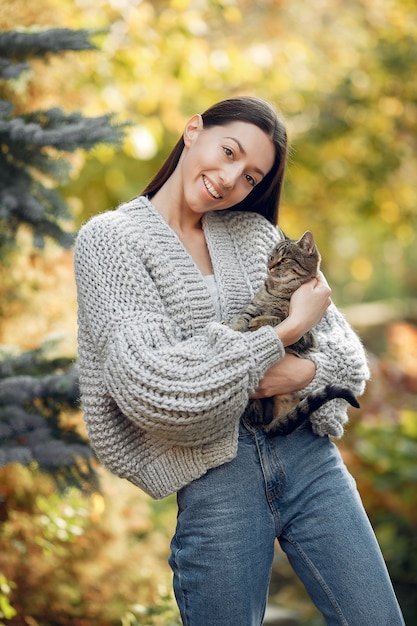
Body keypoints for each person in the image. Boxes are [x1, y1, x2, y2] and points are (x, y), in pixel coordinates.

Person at [74, 96, 405, 626]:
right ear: (192, 130)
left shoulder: (255, 236)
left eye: (251, 176)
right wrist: (289, 333)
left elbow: (348, 357)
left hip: (311, 461)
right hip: (215, 479)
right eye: (228, 152)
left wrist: (302, 371)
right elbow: (159, 389)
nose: (230, 179)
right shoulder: (110, 242)